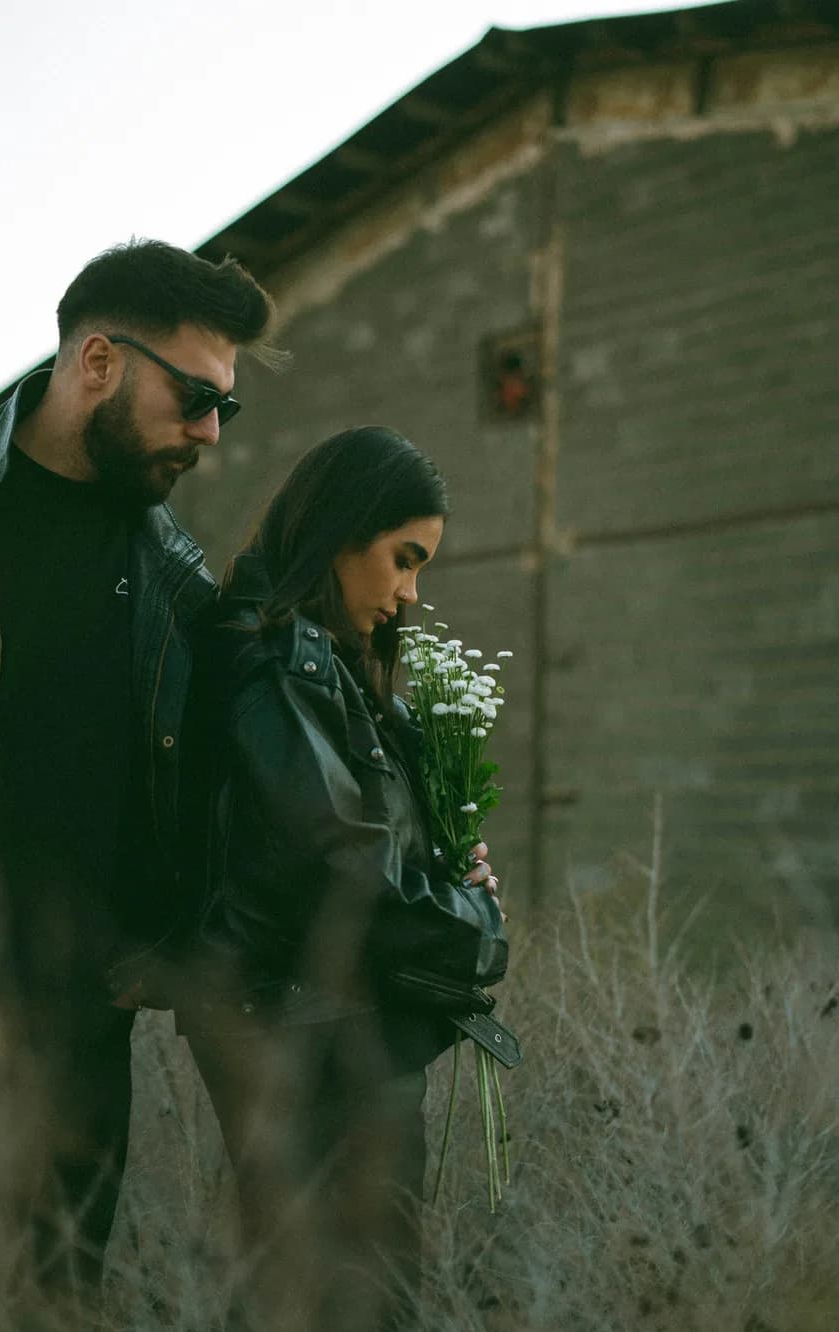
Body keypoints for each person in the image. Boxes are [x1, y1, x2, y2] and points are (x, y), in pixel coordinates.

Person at [0, 239, 275, 1310]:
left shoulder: (177, 584)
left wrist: (436, 858)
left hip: (74, 1059)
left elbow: (229, 795)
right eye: (193, 395)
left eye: (229, 408)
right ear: (96, 362)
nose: (211, 432)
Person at [178, 426, 509, 1332]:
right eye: (403, 560)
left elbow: (358, 845)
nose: (410, 595)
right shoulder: (282, 664)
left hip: (327, 1034)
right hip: (310, 1041)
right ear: (339, 531)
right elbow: (343, 870)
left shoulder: (327, 670)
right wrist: (475, 927)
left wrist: (448, 866)